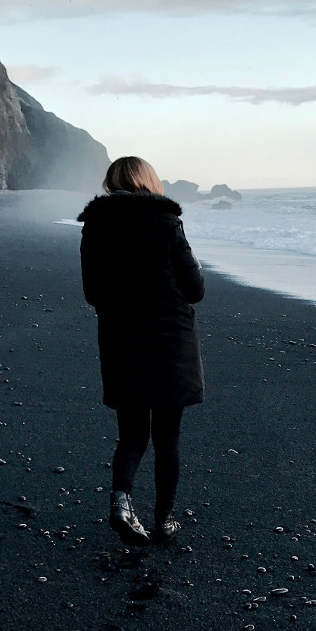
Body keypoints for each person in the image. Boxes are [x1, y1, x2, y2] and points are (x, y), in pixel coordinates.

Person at [78, 156, 205, 545]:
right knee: (168, 436)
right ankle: (164, 520)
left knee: (132, 433)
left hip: (121, 341)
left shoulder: (95, 227)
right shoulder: (168, 223)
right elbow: (195, 289)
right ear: (149, 181)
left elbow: (92, 294)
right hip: (170, 342)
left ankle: (121, 500)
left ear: (112, 181)